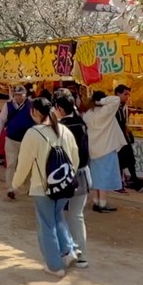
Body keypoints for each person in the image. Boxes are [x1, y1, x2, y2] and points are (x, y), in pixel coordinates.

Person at [13, 97, 78, 278]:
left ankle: (54, 265)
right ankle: (68, 250)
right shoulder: (64, 130)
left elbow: (24, 164)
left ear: (34, 112)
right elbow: (75, 157)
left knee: (46, 225)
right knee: (58, 218)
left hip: (42, 187)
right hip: (64, 184)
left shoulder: (33, 134)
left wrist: (15, 184)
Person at [54, 90, 91, 269]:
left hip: (67, 175)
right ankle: (80, 254)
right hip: (84, 174)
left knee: (59, 215)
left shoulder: (62, 127)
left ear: (59, 108)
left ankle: (68, 252)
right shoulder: (81, 121)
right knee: (76, 215)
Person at [83, 90, 125, 213]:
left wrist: (96, 102)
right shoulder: (106, 112)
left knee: (96, 178)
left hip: (93, 150)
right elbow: (116, 99)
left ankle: (96, 202)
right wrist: (101, 101)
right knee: (104, 179)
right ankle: (102, 203)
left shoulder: (88, 114)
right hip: (106, 148)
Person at [0, 86, 34, 200]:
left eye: (20, 94)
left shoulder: (31, 105)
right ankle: (11, 188)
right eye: (16, 94)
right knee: (11, 164)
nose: (18, 96)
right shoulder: (8, 105)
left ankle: (27, 187)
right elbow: (1, 120)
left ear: (25, 94)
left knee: (27, 164)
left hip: (27, 140)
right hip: (11, 139)